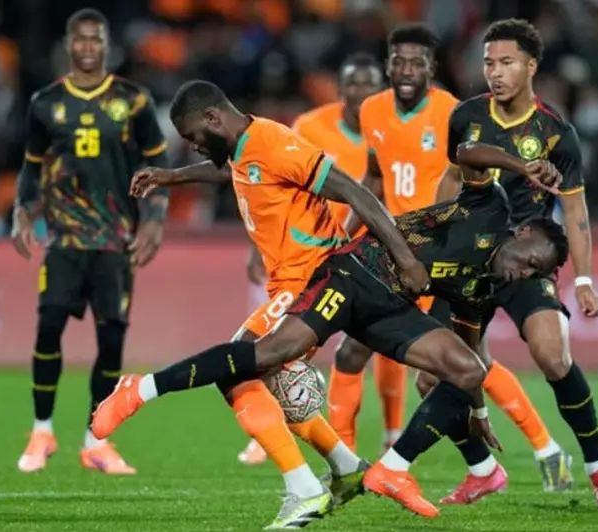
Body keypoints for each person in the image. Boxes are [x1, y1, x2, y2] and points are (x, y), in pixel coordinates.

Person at [93, 138, 565, 518]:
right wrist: (521, 167)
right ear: (524, 233)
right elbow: (466, 153)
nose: (525, 273)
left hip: (391, 307)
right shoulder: (492, 209)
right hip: (357, 271)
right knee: (268, 354)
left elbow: (467, 347)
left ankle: (391, 469)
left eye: (535, 274)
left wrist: (476, 407)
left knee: (468, 369)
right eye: (532, 261)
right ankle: (142, 389)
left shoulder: (484, 286)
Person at [94, 79, 426, 529]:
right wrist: (172, 176)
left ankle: (302, 487)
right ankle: (346, 467)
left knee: (235, 368)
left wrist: (405, 259)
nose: (194, 146)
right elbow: (233, 171)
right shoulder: (244, 148)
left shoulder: (273, 142)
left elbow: (354, 191)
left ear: (213, 118)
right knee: (263, 379)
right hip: (293, 280)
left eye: (194, 137)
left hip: (311, 279)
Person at [332, 22, 571, 495]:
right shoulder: (373, 110)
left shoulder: (451, 111)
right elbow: (375, 177)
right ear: (388, 65)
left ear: (432, 68)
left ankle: (544, 448)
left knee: (465, 363)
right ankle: (349, 460)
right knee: (361, 353)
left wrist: (454, 225)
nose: (406, 70)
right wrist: (346, 233)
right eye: (398, 61)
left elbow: (464, 170)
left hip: (447, 256)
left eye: (416, 62)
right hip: (398, 253)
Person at [433, 18, 598, 508]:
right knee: (432, 375)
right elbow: (452, 180)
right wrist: (438, 238)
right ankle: (482, 470)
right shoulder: (465, 117)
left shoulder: (556, 133)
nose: (495, 72)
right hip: (469, 260)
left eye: (507, 63)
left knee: (553, 355)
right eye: (488, 63)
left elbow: (576, 211)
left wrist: (583, 279)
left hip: (524, 259)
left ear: (531, 66)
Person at [12, 8, 169, 475]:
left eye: (95, 39)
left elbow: (158, 166)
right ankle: (42, 431)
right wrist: (22, 210)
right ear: (68, 44)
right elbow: (32, 167)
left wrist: (154, 222)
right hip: (64, 237)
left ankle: (95, 442)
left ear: (106, 44)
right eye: (79, 39)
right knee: (48, 325)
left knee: (111, 340)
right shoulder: (45, 103)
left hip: (115, 240)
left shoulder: (133, 101)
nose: (87, 46)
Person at [237, 52, 384, 466]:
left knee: (365, 348)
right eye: (352, 83)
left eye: (369, 84)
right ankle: (282, 424)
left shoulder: (389, 129)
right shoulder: (310, 126)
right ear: (340, 89)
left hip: (368, 250)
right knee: (285, 345)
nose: (360, 92)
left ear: (381, 91)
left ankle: (387, 439)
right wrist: (256, 247)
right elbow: (267, 177)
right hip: (312, 252)